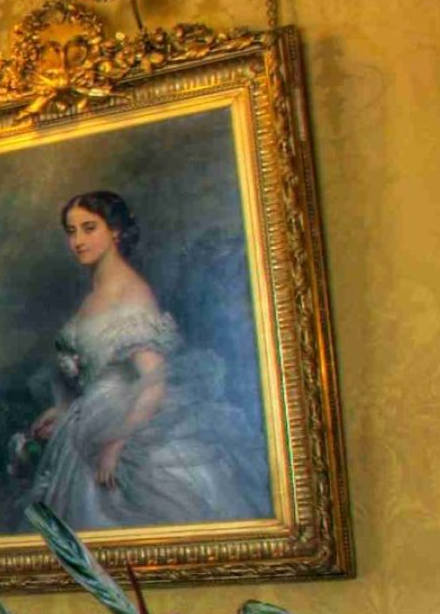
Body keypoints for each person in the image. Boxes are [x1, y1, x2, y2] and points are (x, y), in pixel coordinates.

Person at [16, 190, 265, 532]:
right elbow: (95, 370)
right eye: (71, 231)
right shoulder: (96, 293)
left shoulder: (131, 294)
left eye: (89, 228)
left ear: (115, 231)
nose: (78, 240)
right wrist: (63, 409)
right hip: (87, 420)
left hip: (122, 422)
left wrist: (116, 442)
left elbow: (154, 382)